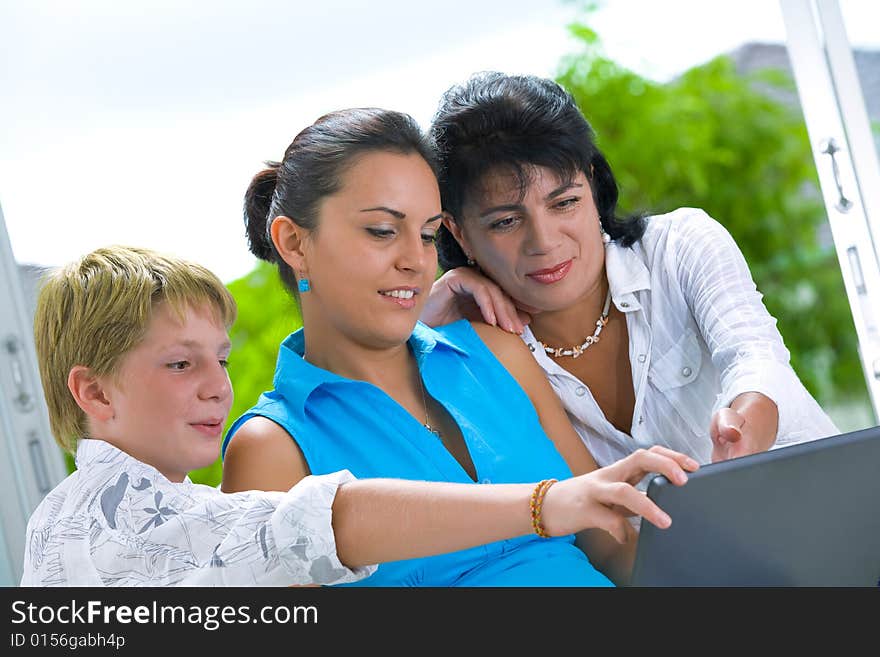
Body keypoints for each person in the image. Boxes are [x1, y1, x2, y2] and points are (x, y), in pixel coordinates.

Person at [22, 245, 691, 587]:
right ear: (97, 394)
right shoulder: (109, 515)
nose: (214, 387)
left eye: (220, 360)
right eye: (179, 364)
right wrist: (548, 502)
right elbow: (332, 519)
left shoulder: (125, 509)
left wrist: (401, 323)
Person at [221, 107, 698, 587]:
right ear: (294, 242)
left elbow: (617, 552)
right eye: (383, 231)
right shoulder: (273, 448)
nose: (416, 261)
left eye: (427, 235)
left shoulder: (497, 355)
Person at [423, 71, 839, 469]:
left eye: (564, 202)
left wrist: (747, 419)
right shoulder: (479, 352)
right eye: (506, 222)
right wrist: (422, 325)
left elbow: (755, 354)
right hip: (673, 546)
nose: (545, 242)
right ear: (459, 233)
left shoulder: (680, 246)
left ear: (591, 183)